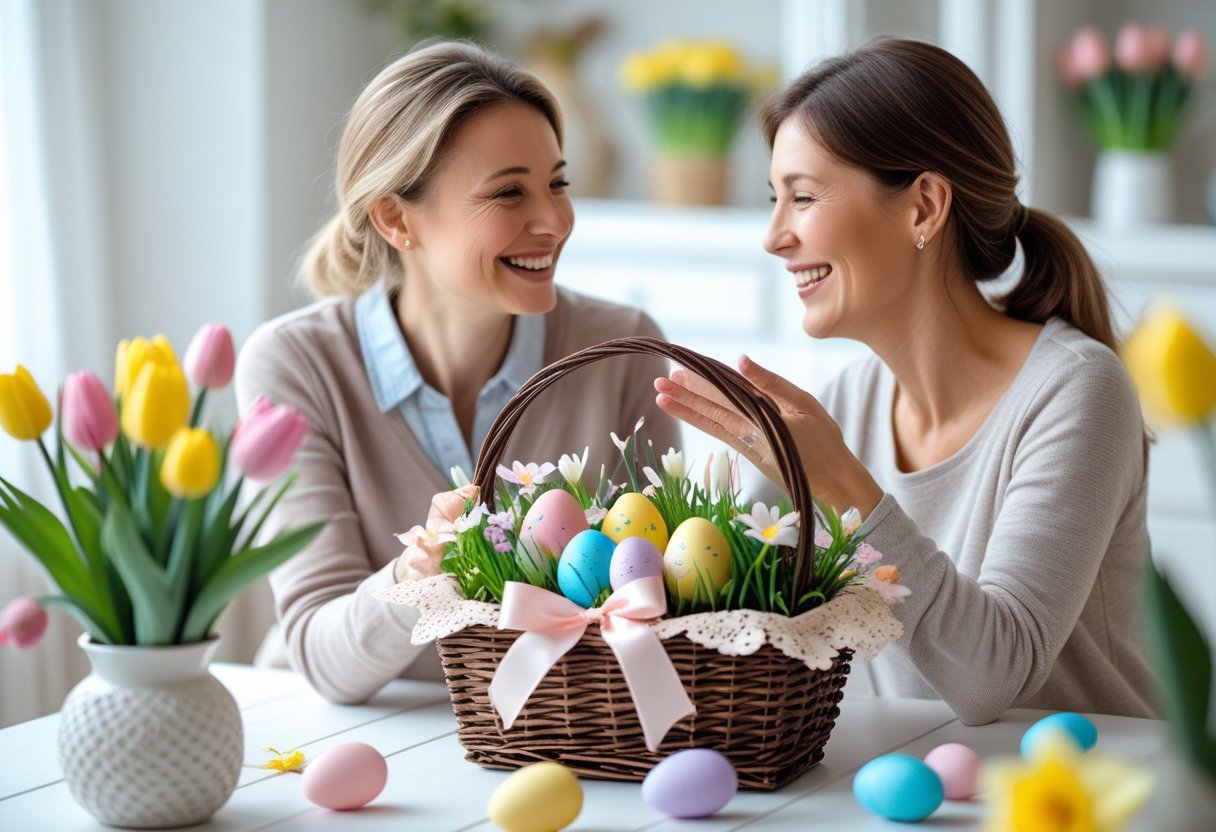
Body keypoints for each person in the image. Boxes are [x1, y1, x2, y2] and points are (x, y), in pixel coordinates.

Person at [654, 38, 1155, 725]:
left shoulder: (1076, 391)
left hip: (1089, 777)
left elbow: (990, 677)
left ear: (922, 207)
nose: (773, 237)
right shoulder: (849, 402)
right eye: (775, 199)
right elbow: (725, 604)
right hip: (914, 773)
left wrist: (839, 482)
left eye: (803, 197)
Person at [236, 40, 679, 704]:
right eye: (508, 193)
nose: (555, 221)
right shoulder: (296, 366)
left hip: (552, 728)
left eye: (558, 183)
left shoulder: (621, 350)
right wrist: (418, 574)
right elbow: (323, 657)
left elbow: (652, 595)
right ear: (396, 218)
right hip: (342, 728)